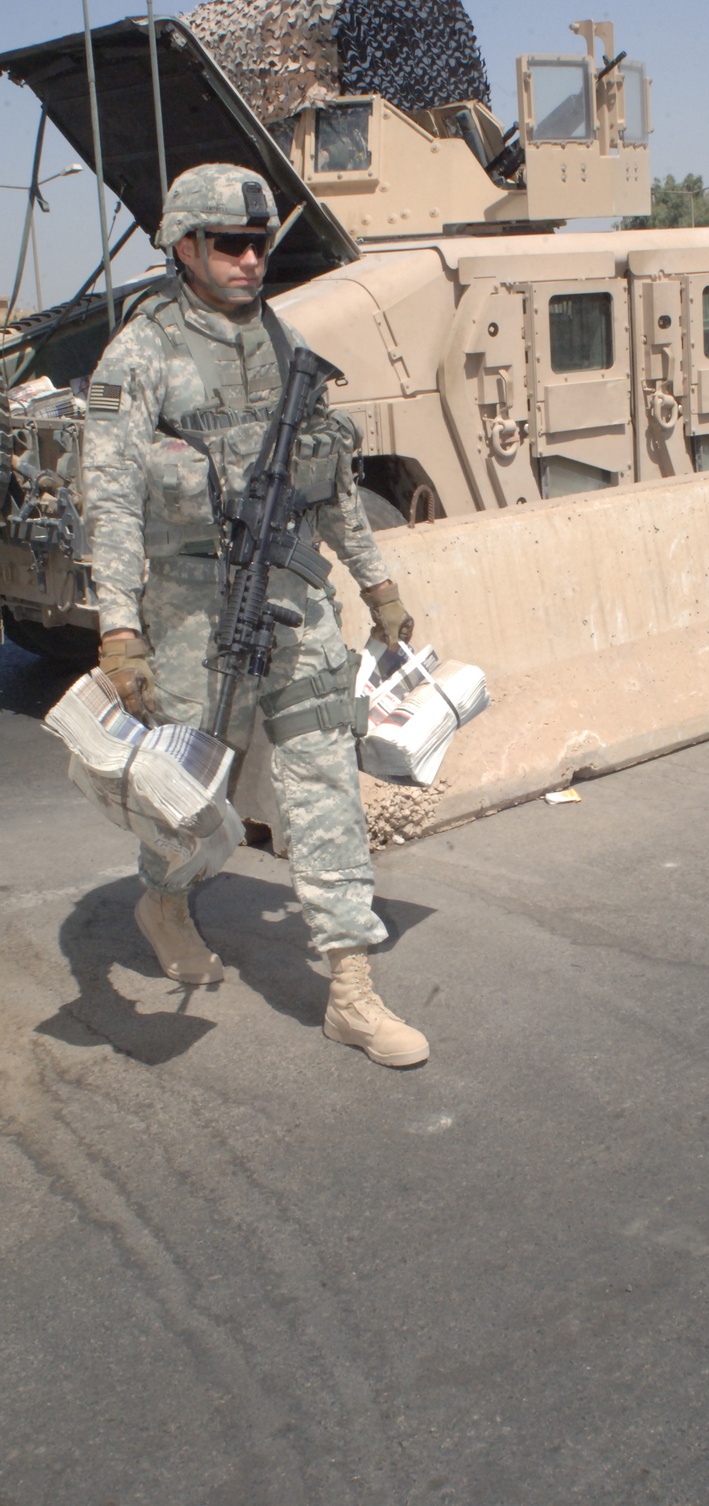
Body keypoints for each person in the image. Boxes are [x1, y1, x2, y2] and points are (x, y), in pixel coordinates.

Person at [82, 162, 428, 1068]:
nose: (249, 259)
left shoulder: (284, 344)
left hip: (293, 602)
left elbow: (331, 478)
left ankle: (351, 990)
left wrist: (376, 584)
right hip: (192, 615)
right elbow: (112, 501)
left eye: (259, 242)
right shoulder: (141, 355)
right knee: (192, 800)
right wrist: (121, 629)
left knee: (323, 782)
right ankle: (163, 897)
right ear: (185, 248)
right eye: (230, 244)